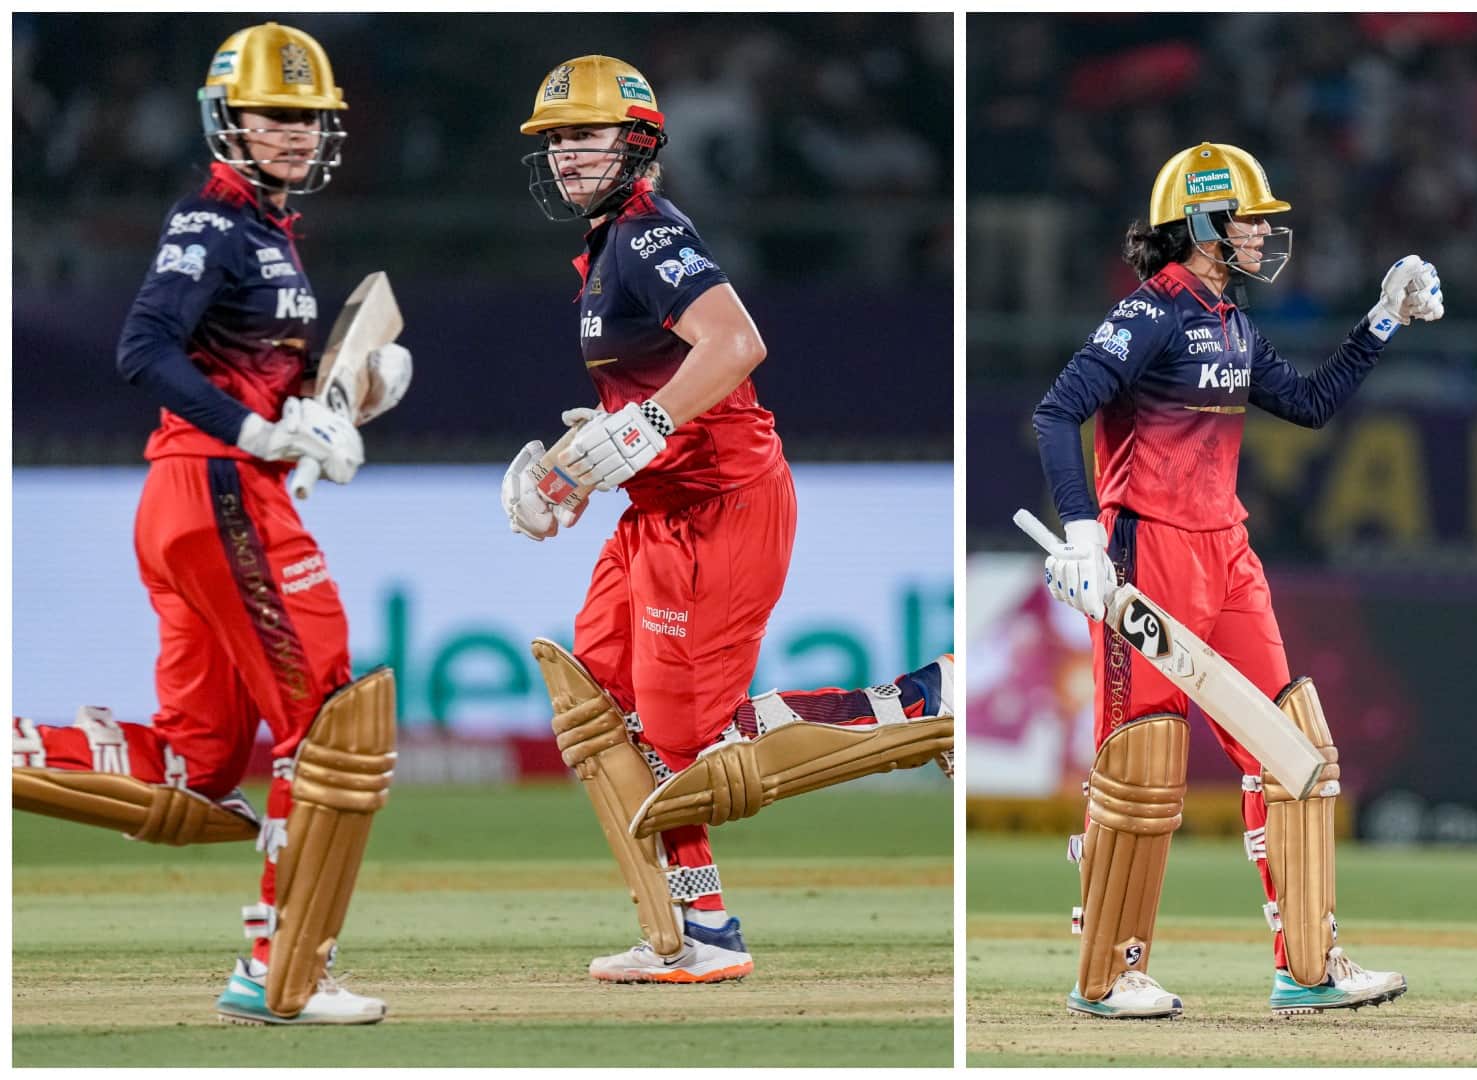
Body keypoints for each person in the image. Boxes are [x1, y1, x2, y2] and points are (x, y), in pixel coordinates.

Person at [499, 55, 954, 985]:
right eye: (556, 142)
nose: (566, 158)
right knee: (603, 705)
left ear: (639, 143)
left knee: (688, 741)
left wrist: (649, 424)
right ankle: (698, 927)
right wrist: (582, 468)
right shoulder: (605, 251)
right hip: (661, 508)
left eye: (585, 137)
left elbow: (738, 343)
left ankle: (923, 707)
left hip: (721, 509)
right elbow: (650, 395)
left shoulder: (645, 233)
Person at [9, 22, 411, 1026]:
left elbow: (261, 374)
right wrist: (262, 435)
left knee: (198, 766)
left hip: (204, 496)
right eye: (276, 117)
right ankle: (283, 972)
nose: (294, 135)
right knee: (334, 727)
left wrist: (335, 395)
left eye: (309, 120)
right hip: (220, 488)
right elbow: (143, 348)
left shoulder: (269, 233)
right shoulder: (214, 222)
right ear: (225, 119)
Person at [1029, 142, 1442, 1019]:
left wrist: (1380, 321)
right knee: (1143, 762)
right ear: (1206, 222)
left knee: (1292, 749)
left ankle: (1309, 966)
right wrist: (1080, 530)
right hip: (1148, 551)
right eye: (1250, 217)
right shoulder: (1149, 313)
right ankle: (1109, 970)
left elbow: (1310, 405)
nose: (1263, 232)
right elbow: (1058, 409)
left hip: (1227, 551)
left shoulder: (1232, 322)